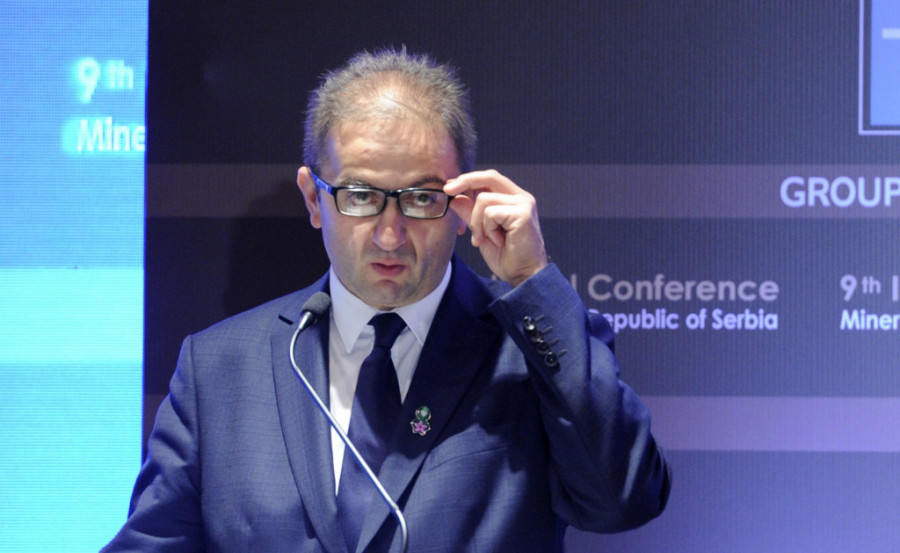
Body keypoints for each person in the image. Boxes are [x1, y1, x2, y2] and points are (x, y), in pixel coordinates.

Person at [102, 47, 670, 553]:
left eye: (421, 197)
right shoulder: (220, 369)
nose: (390, 235)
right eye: (359, 196)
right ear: (313, 199)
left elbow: (624, 499)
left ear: (465, 200)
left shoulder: (528, 347)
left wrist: (532, 280)